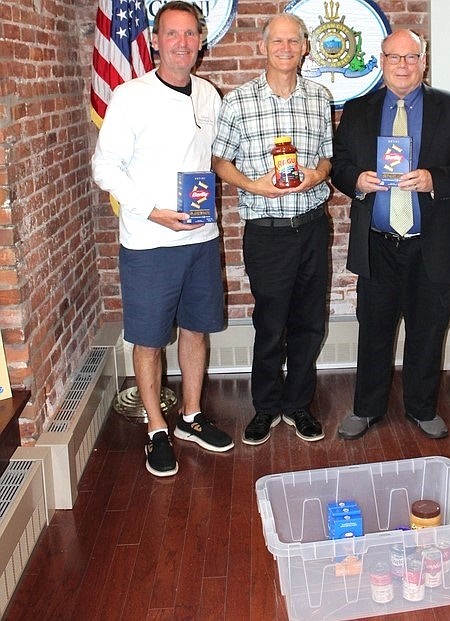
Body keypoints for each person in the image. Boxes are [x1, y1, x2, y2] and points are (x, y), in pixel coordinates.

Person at [92, 1, 234, 477]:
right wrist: (153, 212)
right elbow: (104, 167)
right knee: (150, 340)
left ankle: (190, 416)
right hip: (149, 242)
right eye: (172, 34)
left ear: (201, 40)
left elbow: (208, 159)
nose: (182, 43)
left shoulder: (209, 96)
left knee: (196, 329)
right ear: (154, 40)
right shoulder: (130, 96)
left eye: (190, 34)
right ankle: (156, 427)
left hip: (199, 238)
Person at [331, 30, 450, 440]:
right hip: (379, 242)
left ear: (424, 61)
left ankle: (421, 408)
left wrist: (434, 179)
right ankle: (366, 408)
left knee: (429, 328)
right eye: (393, 57)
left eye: (411, 57)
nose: (402, 65)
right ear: (381, 61)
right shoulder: (358, 109)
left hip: (431, 242)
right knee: (374, 328)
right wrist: (358, 181)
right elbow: (340, 165)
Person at [212, 14, 332, 446]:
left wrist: (317, 176)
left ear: (304, 48)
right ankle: (265, 408)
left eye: (293, 41)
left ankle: (298, 404)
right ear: (263, 47)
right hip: (266, 231)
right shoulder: (239, 101)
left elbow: (327, 160)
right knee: (269, 321)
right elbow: (220, 161)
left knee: (309, 323)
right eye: (277, 41)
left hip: (313, 227)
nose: (285, 48)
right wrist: (252, 183)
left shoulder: (319, 97)